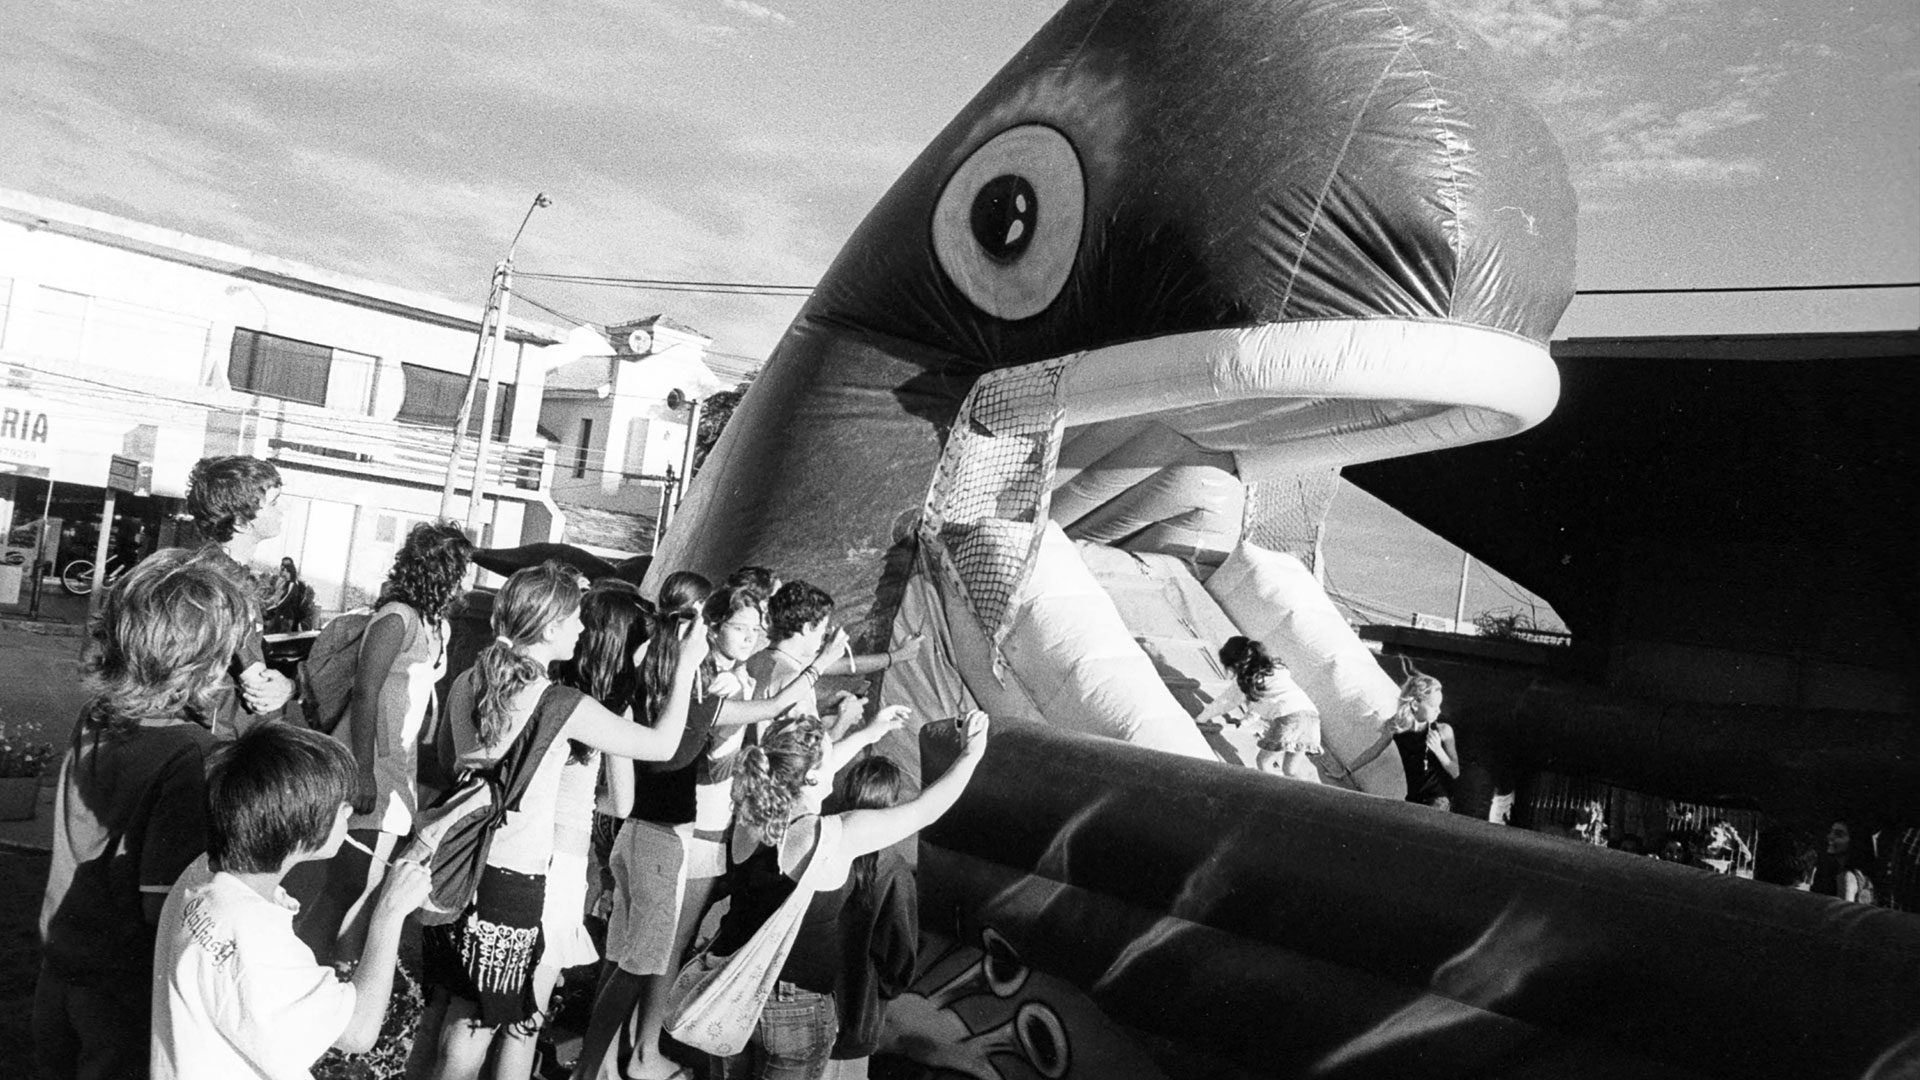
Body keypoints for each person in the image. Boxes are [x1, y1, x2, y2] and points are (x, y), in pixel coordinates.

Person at [421, 562, 716, 1080]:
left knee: (458, 1011)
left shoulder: (471, 678)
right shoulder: (561, 703)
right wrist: (687, 666)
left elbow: (449, 761)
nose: (582, 630)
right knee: (496, 1021)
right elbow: (664, 747)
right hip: (518, 876)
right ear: (552, 625)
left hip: (462, 866)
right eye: (575, 618)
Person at [572, 576, 852, 1080]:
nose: (752, 638)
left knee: (633, 954)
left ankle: (611, 1060)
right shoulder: (704, 690)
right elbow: (765, 712)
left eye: (758, 627)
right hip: (685, 834)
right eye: (741, 627)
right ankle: (629, 1058)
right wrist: (821, 667)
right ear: (709, 628)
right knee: (654, 956)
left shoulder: (672, 683)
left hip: (651, 832)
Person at [33, 549, 253, 1080]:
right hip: (124, 986)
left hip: (62, 957)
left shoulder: (99, 716)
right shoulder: (188, 757)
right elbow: (164, 907)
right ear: (207, 662)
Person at [710, 708, 990, 1079]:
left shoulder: (751, 817)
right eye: (829, 763)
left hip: (730, 989)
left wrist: (871, 731)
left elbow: (801, 772)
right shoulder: (834, 836)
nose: (837, 769)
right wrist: (971, 754)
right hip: (794, 1007)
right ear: (811, 777)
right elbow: (926, 810)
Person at [150, 723, 433, 1079]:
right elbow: (358, 1031)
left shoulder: (202, 874)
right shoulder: (256, 938)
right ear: (301, 829)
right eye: (341, 808)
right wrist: (389, 913)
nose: (350, 814)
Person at [294, 520, 473, 964]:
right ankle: (319, 967)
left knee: (366, 884)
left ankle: (337, 968)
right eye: (464, 566)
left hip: (400, 765)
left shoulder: (436, 626)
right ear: (443, 569)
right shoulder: (396, 618)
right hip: (371, 759)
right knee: (351, 884)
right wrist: (363, 769)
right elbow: (366, 691)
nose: (469, 577)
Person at [821, 756, 919, 1080]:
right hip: (857, 1017)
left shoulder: (822, 845)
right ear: (891, 804)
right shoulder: (894, 868)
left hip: (804, 1011)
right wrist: (882, 991)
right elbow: (901, 954)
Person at [185, 454, 296, 736]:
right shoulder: (227, 586)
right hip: (220, 740)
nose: (283, 510)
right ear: (241, 522)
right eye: (273, 503)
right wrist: (290, 687)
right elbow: (261, 691)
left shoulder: (209, 570)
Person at [746, 580, 924, 738]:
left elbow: (777, 728)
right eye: (823, 628)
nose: (825, 635)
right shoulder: (793, 679)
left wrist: (821, 708)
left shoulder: (758, 660)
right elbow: (808, 759)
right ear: (808, 627)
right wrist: (844, 722)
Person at [1191, 636, 1322, 780]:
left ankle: (1272, 791)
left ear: (1236, 664)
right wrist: (1244, 721)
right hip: (1311, 718)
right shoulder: (1273, 671)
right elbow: (1262, 705)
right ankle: (1307, 792)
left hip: (1289, 718)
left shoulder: (1248, 679)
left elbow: (1225, 702)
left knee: (1264, 762)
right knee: (1290, 770)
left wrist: (1200, 719)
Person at [1389, 673, 1457, 810]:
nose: (1439, 711)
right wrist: (1346, 772)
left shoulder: (1443, 730)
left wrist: (1438, 750)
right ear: (1415, 704)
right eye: (1433, 706)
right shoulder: (1398, 728)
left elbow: (1455, 771)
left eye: (1440, 705)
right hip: (1413, 799)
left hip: (1438, 799)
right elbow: (1373, 751)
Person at [1812, 818, 1878, 904]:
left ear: (1854, 842)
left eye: (1839, 834)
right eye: (1831, 832)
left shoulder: (1846, 877)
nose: (1830, 837)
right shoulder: (1858, 875)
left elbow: (1843, 915)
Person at [263, 557, 320, 634]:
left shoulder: (294, 584)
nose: (281, 569)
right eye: (282, 565)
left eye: (284, 568)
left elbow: (285, 600)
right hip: (280, 613)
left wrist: (269, 609)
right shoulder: (283, 582)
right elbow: (277, 597)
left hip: (287, 616)